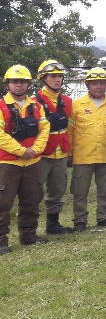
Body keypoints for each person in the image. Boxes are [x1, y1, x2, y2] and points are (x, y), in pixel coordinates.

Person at [0, 65, 50, 254]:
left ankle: (29, 237)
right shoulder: (1, 106)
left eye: (22, 82)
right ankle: (1, 241)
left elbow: (44, 128)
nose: (18, 85)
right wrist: (21, 151)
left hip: (32, 162)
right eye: (14, 81)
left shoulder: (36, 105)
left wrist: (36, 150)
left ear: (28, 84)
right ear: (8, 84)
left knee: (31, 200)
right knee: (2, 203)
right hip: (7, 163)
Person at [69, 67, 106, 230]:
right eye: (94, 83)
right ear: (87, 85)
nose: (98, 86)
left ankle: (104, 218)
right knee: (80, 191)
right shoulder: (76, 106)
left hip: (105, 156)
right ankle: (80, 220)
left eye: (101, 83)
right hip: (82, 156)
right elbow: (70, 131)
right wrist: (69, 153)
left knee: (105, 190)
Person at [33, 60, 74, 234]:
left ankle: (53, 224)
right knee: (33, 192)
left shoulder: (67, 101)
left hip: (61, 152)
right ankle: (29, 229)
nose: (57, 80)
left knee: (57, 189)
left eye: (60, 76)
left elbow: (71, 127)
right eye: (53, 76)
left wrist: (70, 151)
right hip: (41, 153)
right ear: (44, 78)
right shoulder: (34, 102)